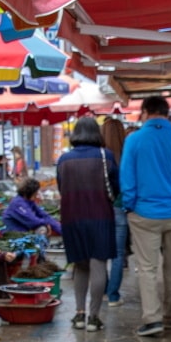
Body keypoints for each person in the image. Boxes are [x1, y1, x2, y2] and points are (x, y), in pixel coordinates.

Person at [119, 95, 171, 337]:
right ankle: (170, 315)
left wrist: (129, 205)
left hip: (144, 213)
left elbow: (127, 179)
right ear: (167, 113)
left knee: (147, 268)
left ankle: (152, 319)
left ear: (145, 112)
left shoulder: (134, 140)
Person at [56, 116, 118, 330]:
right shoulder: (106, 156)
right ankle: (94, 316)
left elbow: (60, 187)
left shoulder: (64, 160)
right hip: (100, 216)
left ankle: (79, 314)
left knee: (80, 266)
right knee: (98, 263)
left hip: (72, 218)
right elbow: (116, 187)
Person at [102, 117, 129, 307]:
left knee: (102, 253)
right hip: (120, 207)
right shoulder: (126, 154)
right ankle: (113, 295)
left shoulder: (100, 156)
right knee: (118, 254)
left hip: (100, 208)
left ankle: (102, 289)